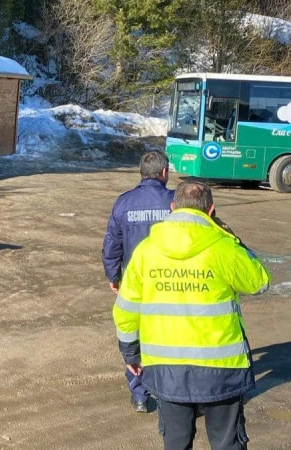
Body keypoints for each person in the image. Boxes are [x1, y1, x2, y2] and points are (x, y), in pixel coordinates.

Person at [113, 181, 270, 450]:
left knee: (176, 442)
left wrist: (131, 353)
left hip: (165, 368)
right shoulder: (224, 247)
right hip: (222, 369)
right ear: (211, 211)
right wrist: (235, 239)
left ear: (172, 208)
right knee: (226, 444)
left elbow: (126, 310)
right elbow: (260, 281)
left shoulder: (146, 251)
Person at [102, 150, 174, 413]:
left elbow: (112, 244)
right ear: (164, 173)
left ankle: (140, 394)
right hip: (171, 283)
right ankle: (171, 391)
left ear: (141, 173)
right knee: (169, 336)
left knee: (133, 336)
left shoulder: (124, 202)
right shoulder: (176, 202)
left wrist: (114, 276)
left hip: (135, 283)